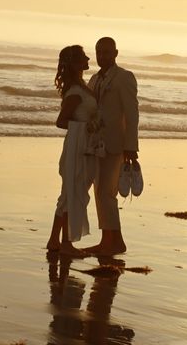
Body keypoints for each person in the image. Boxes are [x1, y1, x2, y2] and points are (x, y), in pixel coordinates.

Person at [84, 37, 139, 256]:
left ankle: (113, 242)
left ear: (115, 53)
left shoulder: (124, 77)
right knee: (100, 193)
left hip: (116, 144)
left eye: (106, 52)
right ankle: (110, 239)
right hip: (97, 144)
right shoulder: (95, 79)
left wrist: (131, 146)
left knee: (107, 193)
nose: (102, 56)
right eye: (99, 52)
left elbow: (132, 113)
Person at [46, 45, 98, 256]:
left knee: (70, 193)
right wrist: (86, 127)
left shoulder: (82, 85)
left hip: (83, 145)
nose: (88, 58)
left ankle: (54, 240)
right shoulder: (75, 92)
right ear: (76, 63)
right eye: (83, 56)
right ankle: (65, 244)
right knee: (72, 193)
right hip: (77, 147)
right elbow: (61, 121)